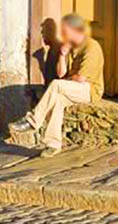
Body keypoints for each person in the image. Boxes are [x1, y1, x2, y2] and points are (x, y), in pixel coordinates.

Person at [11, 13, 104, 157]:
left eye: (65, 31)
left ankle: (33, 121)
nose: (62, 34)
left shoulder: (92, 47)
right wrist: (62, 55)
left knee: (56, 85)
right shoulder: (69, 47)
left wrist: (63, 82)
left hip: (89, 89)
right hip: (71, 87)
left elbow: (80, 78)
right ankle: (53, 144)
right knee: (57, 101)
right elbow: (61, 74)